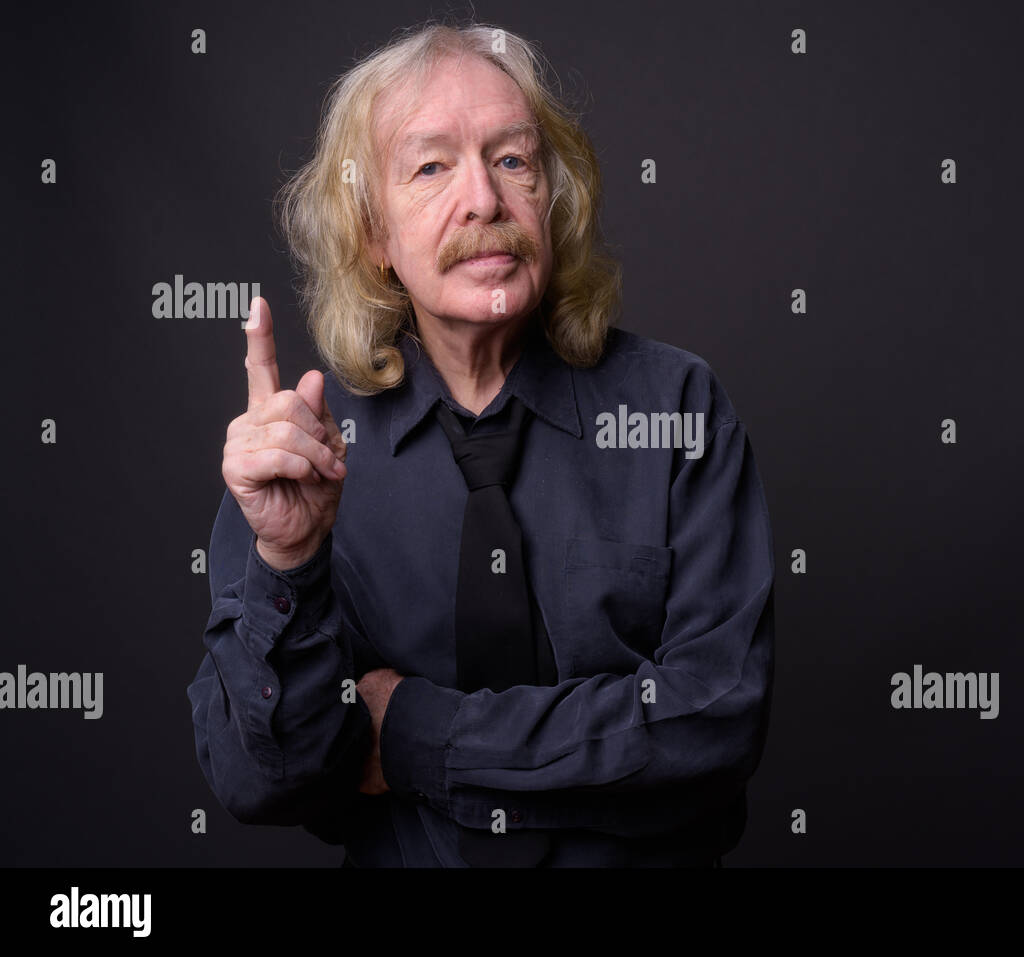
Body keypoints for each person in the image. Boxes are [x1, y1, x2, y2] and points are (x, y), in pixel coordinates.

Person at [187, 19, 775, 867]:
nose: (485, 202)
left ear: (552, 199)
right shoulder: (305, 448)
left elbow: (713, 726)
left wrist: (415, 734)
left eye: (512, 160)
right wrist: (288, 562)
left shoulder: (679, 409)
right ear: (374, 237)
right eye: (431, 167)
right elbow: (259, 779)